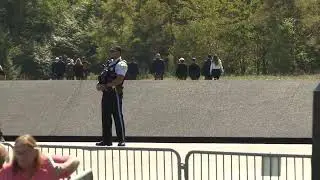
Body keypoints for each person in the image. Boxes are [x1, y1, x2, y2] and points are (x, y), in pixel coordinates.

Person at [0, 134, 80, 180]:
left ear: (34, 152)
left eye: (25, 152)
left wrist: (62, 167)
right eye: (17, 152)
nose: (20, 156)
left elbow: (75, 160)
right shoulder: (6, 172)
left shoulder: (47, 164)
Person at [96, 46, 128, 147]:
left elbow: (119, 79)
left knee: (117, 116)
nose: (111, 53)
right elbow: (103, 77)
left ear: (119, 52)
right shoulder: (109, 63)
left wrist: (106, 85)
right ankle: (106, 140)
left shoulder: (121, 64)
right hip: (106, 93)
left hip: (115, 93)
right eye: (110, 51)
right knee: (105, 117)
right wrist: (99, 85)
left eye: (113, 51)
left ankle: (121, 140)